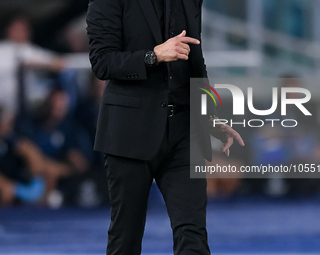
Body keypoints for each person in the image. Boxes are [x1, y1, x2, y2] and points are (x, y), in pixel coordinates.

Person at [86, 0, 244, 254]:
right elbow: (102, 61)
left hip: (185, 131)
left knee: (193, 233)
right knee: (126, 235)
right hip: (130, 131)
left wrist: (209, 116)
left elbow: (194, 61)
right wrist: (154, 56)